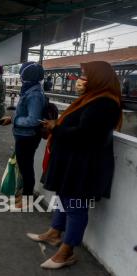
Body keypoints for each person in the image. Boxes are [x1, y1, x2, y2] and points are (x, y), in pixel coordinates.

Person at [27, 61, 122, 269]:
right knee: (64, 198)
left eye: (85, 75)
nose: (80, 80)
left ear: (99, 78)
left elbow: (87, 135)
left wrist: (56, 128)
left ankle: (67, 251)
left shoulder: (105, 103)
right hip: (73, 162)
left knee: (76, 206)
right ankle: (55, 233)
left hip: (85, 166)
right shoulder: (92, 99)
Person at [0, 62, 45, 207]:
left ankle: (27, 199)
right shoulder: (29, 90)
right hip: (23, 135)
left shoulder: (34, 95)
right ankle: (24, 194)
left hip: (28, 136)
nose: (20, 77)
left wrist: (14, 119)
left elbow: (34, 120)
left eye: (22, 74)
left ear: (28, 75)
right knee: (24, 165)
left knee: (26, 167)